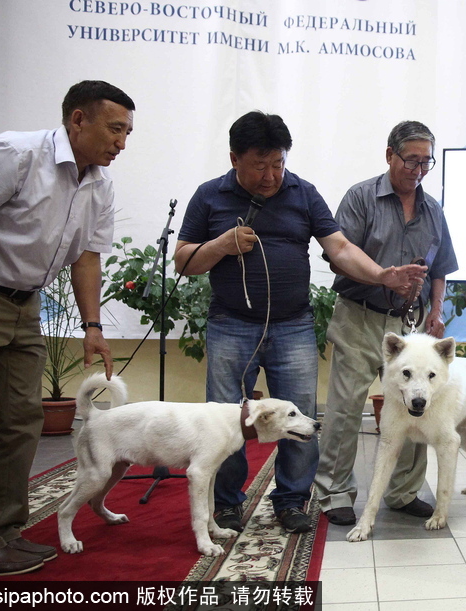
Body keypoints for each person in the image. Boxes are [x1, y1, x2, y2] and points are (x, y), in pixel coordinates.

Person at [175, 112, 425, 535]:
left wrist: (382, 275)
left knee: (301, 417)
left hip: (292, 326)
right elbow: (184, 260)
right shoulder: (209, 196)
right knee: (225, 420)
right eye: (260, 165)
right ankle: (227, 504)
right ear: (234, 158)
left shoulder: (302, 193)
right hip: (231, 325)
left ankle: (291, 501)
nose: (271, 175)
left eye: (279, 163)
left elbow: (341, 247)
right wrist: (220, 245)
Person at [0, 80, 133, 576]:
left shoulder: (100, 184)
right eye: (115, 129)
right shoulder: (17, 154)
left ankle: (5, 533)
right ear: (78, 120)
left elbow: (87, 256)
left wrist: (92, 324)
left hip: (27, 305)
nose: (122, 143)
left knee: (21, 421)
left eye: (127, 133)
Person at [314, 121, 458, 526]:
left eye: (425, 161)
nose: (418, 169)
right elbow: (339, 254)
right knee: (344, 408)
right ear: (389, 154)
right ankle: (335, 491)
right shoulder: (361, 198)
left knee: (417, 403)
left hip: (409, 328)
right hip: (359, 315)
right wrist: (382, 275)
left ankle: (403, 491)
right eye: (410, 160)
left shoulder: (433, 210)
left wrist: (437, 308)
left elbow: (440, 267)